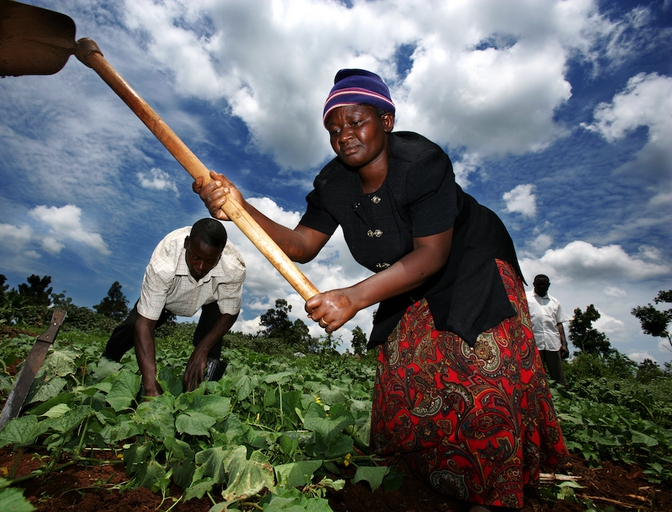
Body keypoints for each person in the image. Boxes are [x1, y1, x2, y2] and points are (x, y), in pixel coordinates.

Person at [194, 69, 569, 511]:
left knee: (479, 363)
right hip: (406, 271)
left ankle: (491, 491)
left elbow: (432, 254)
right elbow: (301, 245)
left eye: (356, 122)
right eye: (334, 129)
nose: (344, 136)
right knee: (404, 374)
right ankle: (421, 476)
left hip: (470, 259)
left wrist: (353, 297)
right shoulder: (333, 183)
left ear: (386, 121)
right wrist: (240, 208)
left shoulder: (422, 162)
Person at [102, 218, 246, 394]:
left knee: (210, 348)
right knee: (132, 327)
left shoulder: (234, 268)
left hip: (210, 299)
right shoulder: (164, 262)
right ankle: (105, 365)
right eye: (195, 257)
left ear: (220, 255)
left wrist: (201, 350)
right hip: (169, 296)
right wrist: (150, 385)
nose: (200, 267)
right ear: (187, 243)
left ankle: (198, 394)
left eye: (210, 261)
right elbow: (145, 323)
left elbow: (230, 311)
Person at [527, 274, 569, 386]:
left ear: (549, 285)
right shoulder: (525, 298)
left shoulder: (554, 302)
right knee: (535, 376)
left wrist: (564, 344)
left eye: (544, 284)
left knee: (558, 376)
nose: (542, 286)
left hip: (553, 343)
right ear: (534, 284)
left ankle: (561, 394)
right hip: (533, 343)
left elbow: (559, 324)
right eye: (539, 284)